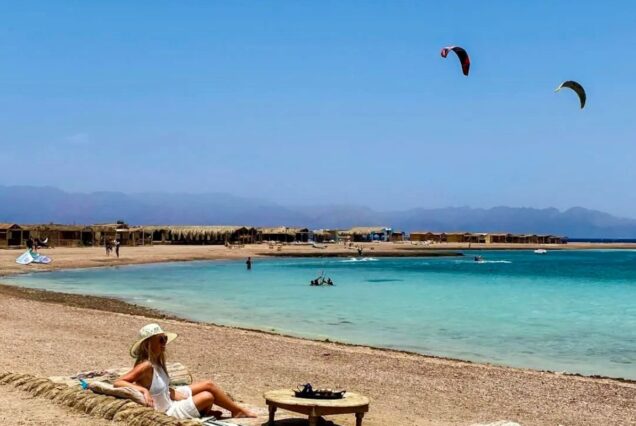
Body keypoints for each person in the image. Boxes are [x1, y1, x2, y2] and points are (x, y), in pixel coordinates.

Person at [115, 324, 256, 420]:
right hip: (168, 411)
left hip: (169, 398)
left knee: (209, 384)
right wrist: (143, 391)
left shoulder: (157, 362)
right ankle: (213, 411)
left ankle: (235, 410)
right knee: (207, 396)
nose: (164, 342)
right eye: (160, 339)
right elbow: (118, 382)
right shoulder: (145, 365)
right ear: (148, 343)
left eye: (165, 339)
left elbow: (157, 388)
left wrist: (173, 393)